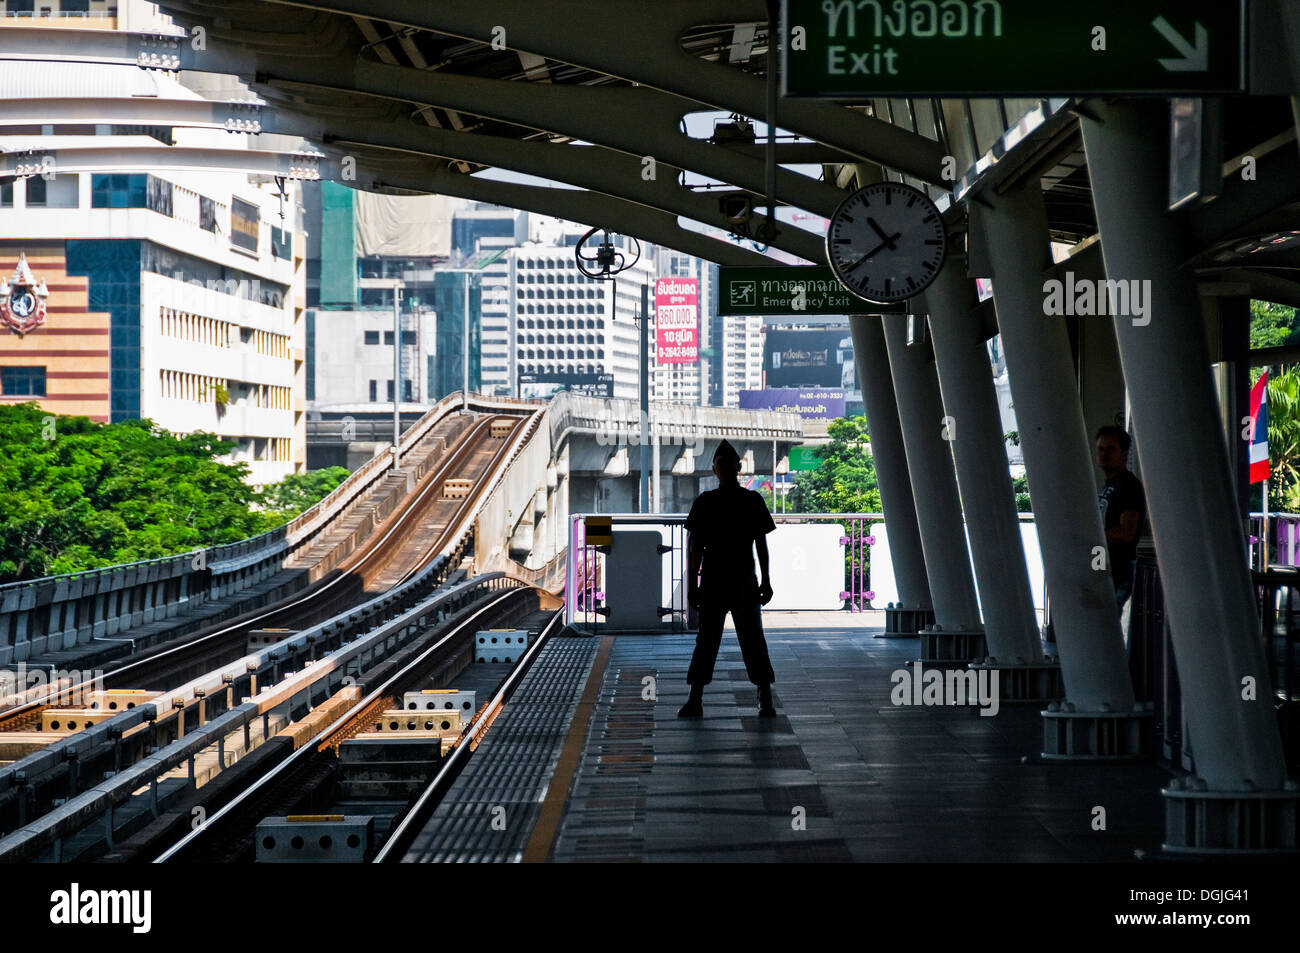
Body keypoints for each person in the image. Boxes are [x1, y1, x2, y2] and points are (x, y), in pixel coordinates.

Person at [678, 439, 777, 718]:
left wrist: (693, 586)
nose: (724, 467)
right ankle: (764, 697)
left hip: (718, 579)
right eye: (722, 463)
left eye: (725, 462)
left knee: (711, 640)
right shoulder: (751, 501)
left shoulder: (706, 502)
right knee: (748, 639)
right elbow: (760, 545)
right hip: (739, 578)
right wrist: (765, 580)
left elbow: (695, 548)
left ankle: (696, 699)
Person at [1096, 425, 1145, 613]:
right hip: (1105, 570)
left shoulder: (1127, 487)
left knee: (1105, 626)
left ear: (1124, 453)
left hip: (1118, 573)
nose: (1104, 454)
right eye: (1100, 448)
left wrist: (1094, 535)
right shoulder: (1111, 486)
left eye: (1111, 449)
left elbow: (1127, 533)